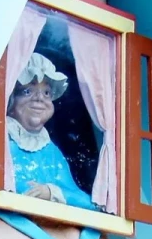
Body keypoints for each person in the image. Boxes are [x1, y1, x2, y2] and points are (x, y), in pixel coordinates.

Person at [7, 52, 98, 210]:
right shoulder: (1, 138)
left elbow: (85, 201)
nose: (39, 98)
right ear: (11, 100)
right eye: (27, 91)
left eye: (46, 93)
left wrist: (51, 192)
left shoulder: (51, 152)